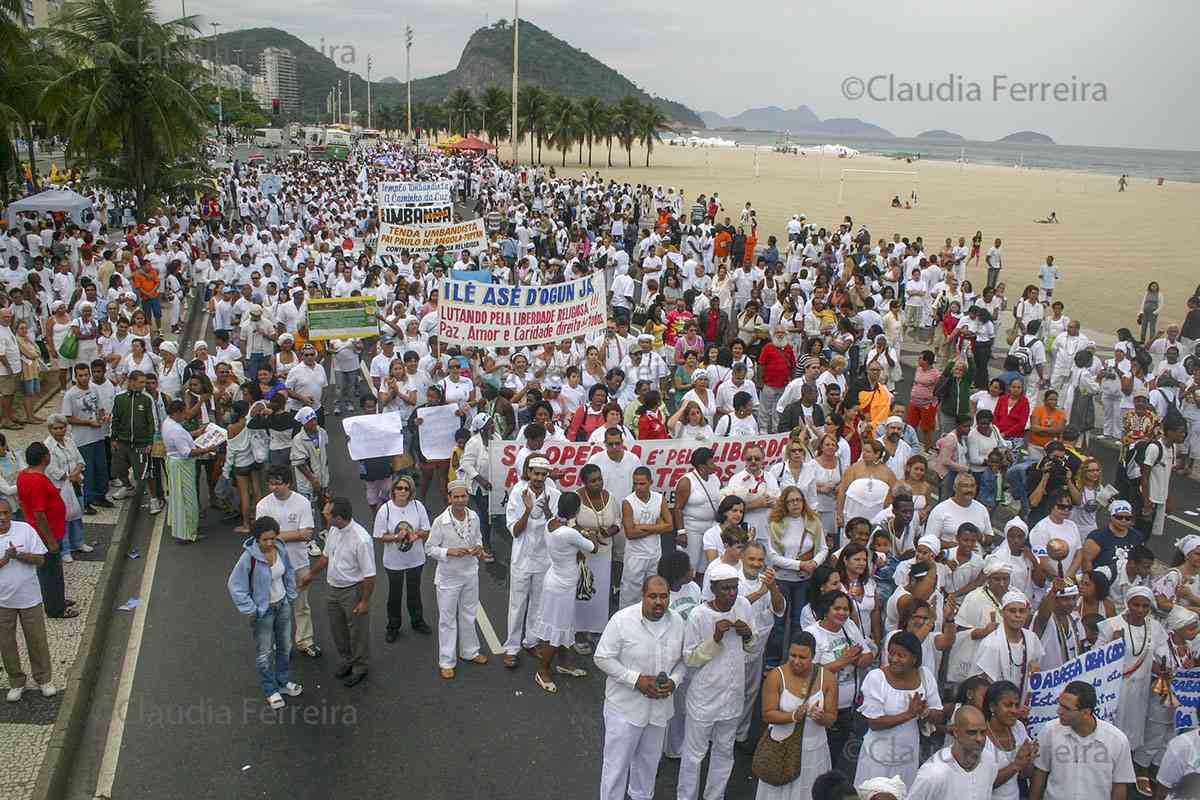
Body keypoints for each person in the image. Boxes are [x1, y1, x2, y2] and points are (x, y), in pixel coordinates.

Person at [594, 575, 685, 800]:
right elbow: (602, 657)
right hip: (624, 710)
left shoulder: (678, 623)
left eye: (663, 597)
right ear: (643, 596)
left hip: (659, 710)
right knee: (616, 769)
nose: (658, 602)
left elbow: (684, 661)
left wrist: (674, 681)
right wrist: (636, 680)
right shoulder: (621, 620)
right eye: (653, 596)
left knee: (647, 767)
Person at [678, 561, 755, 800]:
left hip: (733, 695)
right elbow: (690, 657)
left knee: (724, 751)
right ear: (712, 589)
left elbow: (752, 647)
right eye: (726, 589)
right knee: (694, 755)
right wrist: (716, 637)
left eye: (734, 588)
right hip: (704, 697)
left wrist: (748, 635)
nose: (732, 593)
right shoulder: (699, 615)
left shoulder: (743, 605)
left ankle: (715, 796)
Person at [225, 515, 302, 710]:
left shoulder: (281, 548)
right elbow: (235, 585)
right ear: (257, 539)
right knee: (265, 653)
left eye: (272, 538)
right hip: (264, 612)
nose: (269, 543)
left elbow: (289, 572)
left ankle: (282, 683)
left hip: (282, 605)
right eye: (265, 539)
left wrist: (291, 593)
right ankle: (270, 689)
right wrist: (250, 609)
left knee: (284, 647)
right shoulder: (248, 558)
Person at [299, 497, 375, 688]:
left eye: (326, 512)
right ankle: (347, 659)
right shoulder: (334, 530)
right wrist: (311, 574)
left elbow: (370, 575)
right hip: (333, 588)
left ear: (338, 517)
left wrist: (364, 601)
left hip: (352, 591)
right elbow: (326, 557)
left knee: (357, 631)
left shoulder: (361, 539)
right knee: (338, 629)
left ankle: (360, 667)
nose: (323, 514)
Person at [855, 630, 945, 788]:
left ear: (914, 659)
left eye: (901, 655)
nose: (894, 659)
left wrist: (925, 712)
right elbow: (874, 722)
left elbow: (939, 714)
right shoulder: (876, 677)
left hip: (907, 754)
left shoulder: (925, 676)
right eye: (891, 653)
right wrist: (909, 714)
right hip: (878, 756)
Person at [754, 630, 838, 800]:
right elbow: (767, 714)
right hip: (781, 750)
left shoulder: (827, 678)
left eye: (803, 657)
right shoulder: (776, 676)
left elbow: (831, 719)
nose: (796, 661)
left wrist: (821, 717)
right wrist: (793, 716)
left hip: (813, 750)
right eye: (793, 655)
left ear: (813, 657)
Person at [532, 493, 599, 693]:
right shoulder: (569, 533)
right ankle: (542, 671)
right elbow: (593, 548)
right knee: (555, 631)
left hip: (558, 582)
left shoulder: (552, 523)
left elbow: (572, 544)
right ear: (576, 511)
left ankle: (564, 664)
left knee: (564, 626)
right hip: (561, 587)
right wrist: (592, 532)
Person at [1029, 680, 1135, 800]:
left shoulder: (1117, 741)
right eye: (1059, 704)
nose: (1059, 711)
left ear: (1086, 713)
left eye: (1066, 708)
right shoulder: (1050, 731)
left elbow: (1119, 786)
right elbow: (1040, 774)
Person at [1094, 585, 1166, 760]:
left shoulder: (1155, 627)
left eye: (1145, 606)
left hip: (1140, 690)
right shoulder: (1112, 625)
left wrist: (1165, 669)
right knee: (1113, 726)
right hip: (1116, 688)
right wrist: (1113, 644)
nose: (1140, 610)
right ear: (1128, 603)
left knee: (1134, 727)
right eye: (1136, 605)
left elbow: (1161, 656)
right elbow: (1095, 657)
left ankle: (1127, 764)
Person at [255, 465, 319, 658]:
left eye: (278, 483)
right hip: (274, 565)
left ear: (288, 483)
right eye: (271, 484)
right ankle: (283, 645)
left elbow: (307, 534)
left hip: (299, 562)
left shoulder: (302, 503)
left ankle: (305, 641)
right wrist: (296, 533)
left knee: (302, 606)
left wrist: (276, 535)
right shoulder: (263, 505)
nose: (274, 488)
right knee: (277, 609)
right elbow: (262, 537)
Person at [425, 480, 485, 680]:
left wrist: (478, 548)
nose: (460, 500)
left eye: (464, 496)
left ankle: (470, 652)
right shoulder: (440, 521)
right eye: (456, 497)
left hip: (470, 573)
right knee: (447, 620)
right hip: (448, 578)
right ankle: (447, 661)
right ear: (449, 498)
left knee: (469, 614)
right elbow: (429, 548)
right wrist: (448, 551)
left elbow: (478, 539)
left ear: (468, 497)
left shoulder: (474, 516)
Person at [763, 486, 827, 668]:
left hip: (804, 581)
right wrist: (800, 565)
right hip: (782, 580)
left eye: (798, 500)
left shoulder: (813, 521)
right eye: (791, 501)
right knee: (779, 624)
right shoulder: (775, 523)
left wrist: (814, 563)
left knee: (799, 622)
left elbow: (823, 548)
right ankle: (772, 663)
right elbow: (772, 556)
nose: (795, 504)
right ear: (784, 503)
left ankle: (796, 661)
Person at [0, 497, 56, 701]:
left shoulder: (24, 529)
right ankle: (16, 681)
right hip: (2, 602)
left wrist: (19, 555)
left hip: (29, 598)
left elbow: (41, 559)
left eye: (5, 513)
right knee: (6, 643)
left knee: (37, 640)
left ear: (11, 513)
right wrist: (6, 558)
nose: (2, 518)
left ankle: (44, 679)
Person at [17, 442, 76, 618]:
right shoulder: (37, 481)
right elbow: (39, 513)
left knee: (51, 570)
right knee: (51, 572)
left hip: (41, 531)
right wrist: (50, 540)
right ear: (46, 458)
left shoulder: (23, 476)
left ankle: (56, 599)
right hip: (46, 534)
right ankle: (55, 608)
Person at [372, 475, 432, 642]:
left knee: (414, 591)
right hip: (394, 561)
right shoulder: (386, 510)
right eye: (399, 488)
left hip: (416, 559)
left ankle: (417, 621)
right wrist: (397, 537)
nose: (403, 491)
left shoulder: (418, 506)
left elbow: (426, 530)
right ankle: (393, 626)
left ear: (411, 491)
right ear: (393, 491)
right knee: (395, 594)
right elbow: (379, 536)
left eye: (406, 488)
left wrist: (416, 534)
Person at [906, 705, 998, 800]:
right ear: (956, 732)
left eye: (983, 732)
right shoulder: (933, 774)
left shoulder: (989, 761)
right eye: (972, 732)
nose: (979, 738)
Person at [162, 399, 214, 543]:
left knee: (178, 497)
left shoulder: (168, 423)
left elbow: (182, 438)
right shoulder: (176, 429)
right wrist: (208, 449)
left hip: (174, 463)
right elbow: (187, 452)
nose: (186, 415)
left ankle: (181, 527)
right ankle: (188, 532)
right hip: (181, 466)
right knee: (187, 499)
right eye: (184, 412)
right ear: (177, 412)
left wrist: (196, 432)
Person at [973, 590, 1043, 695]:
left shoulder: (1032, 638)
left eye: (1022, 611)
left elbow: (1037, 669)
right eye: (1012, 611)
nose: (1018, 615)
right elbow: (981, 684)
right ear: (1002, 613)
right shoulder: (990, 644)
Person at [620, 467, 671, 609]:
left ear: (651, 482)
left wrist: (642, 527)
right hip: (635, 556)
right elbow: (630, 533)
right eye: (635, 484)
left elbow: (669, 526)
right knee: (630, 594)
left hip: (655, 554)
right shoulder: (628, 502)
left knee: (653, 592)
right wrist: (656, 528)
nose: (638, 487)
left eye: (642, 484)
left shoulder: (660, 499)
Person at [982, 680, 1037, 800]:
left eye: (1016, 705)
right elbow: (982, 784)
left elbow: (1024, 774)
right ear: (992, 707)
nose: (1014, 710)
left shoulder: (1018, 727)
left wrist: (1028, 761)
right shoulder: (980, 736)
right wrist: (1016, 765)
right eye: (1008, 705)